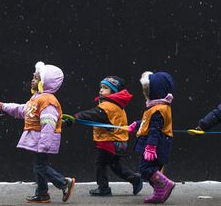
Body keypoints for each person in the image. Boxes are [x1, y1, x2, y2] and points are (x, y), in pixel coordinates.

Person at [0, 61, 75, 203]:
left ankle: (63, 182)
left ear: (45, 82)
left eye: (36, 78)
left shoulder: (47, 101)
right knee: (39, 166)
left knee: (40, 166)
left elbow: (48, 124)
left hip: (42, 141)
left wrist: (44, 144)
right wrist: (4, 107)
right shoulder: (37, 98)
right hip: (38, 141)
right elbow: (22, 110)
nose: (32, 80)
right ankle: (42, 194)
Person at [64, 76, 142, 196]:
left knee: (100, 165)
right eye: (101, 87)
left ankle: (103, 188)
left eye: (105, 88)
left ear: (114, 92)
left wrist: (76, 117)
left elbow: (93, 114)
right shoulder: (116, 105)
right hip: (119, 141)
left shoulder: (108, 107)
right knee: (116, 165)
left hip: (110, 142)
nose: (101, 90)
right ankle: (134, 178)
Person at [128, 71, 175, 204]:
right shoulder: (158, 107)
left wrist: (150, 147)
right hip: (159, 143)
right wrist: (137, 124)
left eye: (147, 90)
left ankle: (165, 184)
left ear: (154, 91)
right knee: (152, 170)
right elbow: (149, 123)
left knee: (146, 169)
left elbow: (154, 129)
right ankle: (159, 193)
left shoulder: (157, 109)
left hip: (155, 144)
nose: (145, 94)